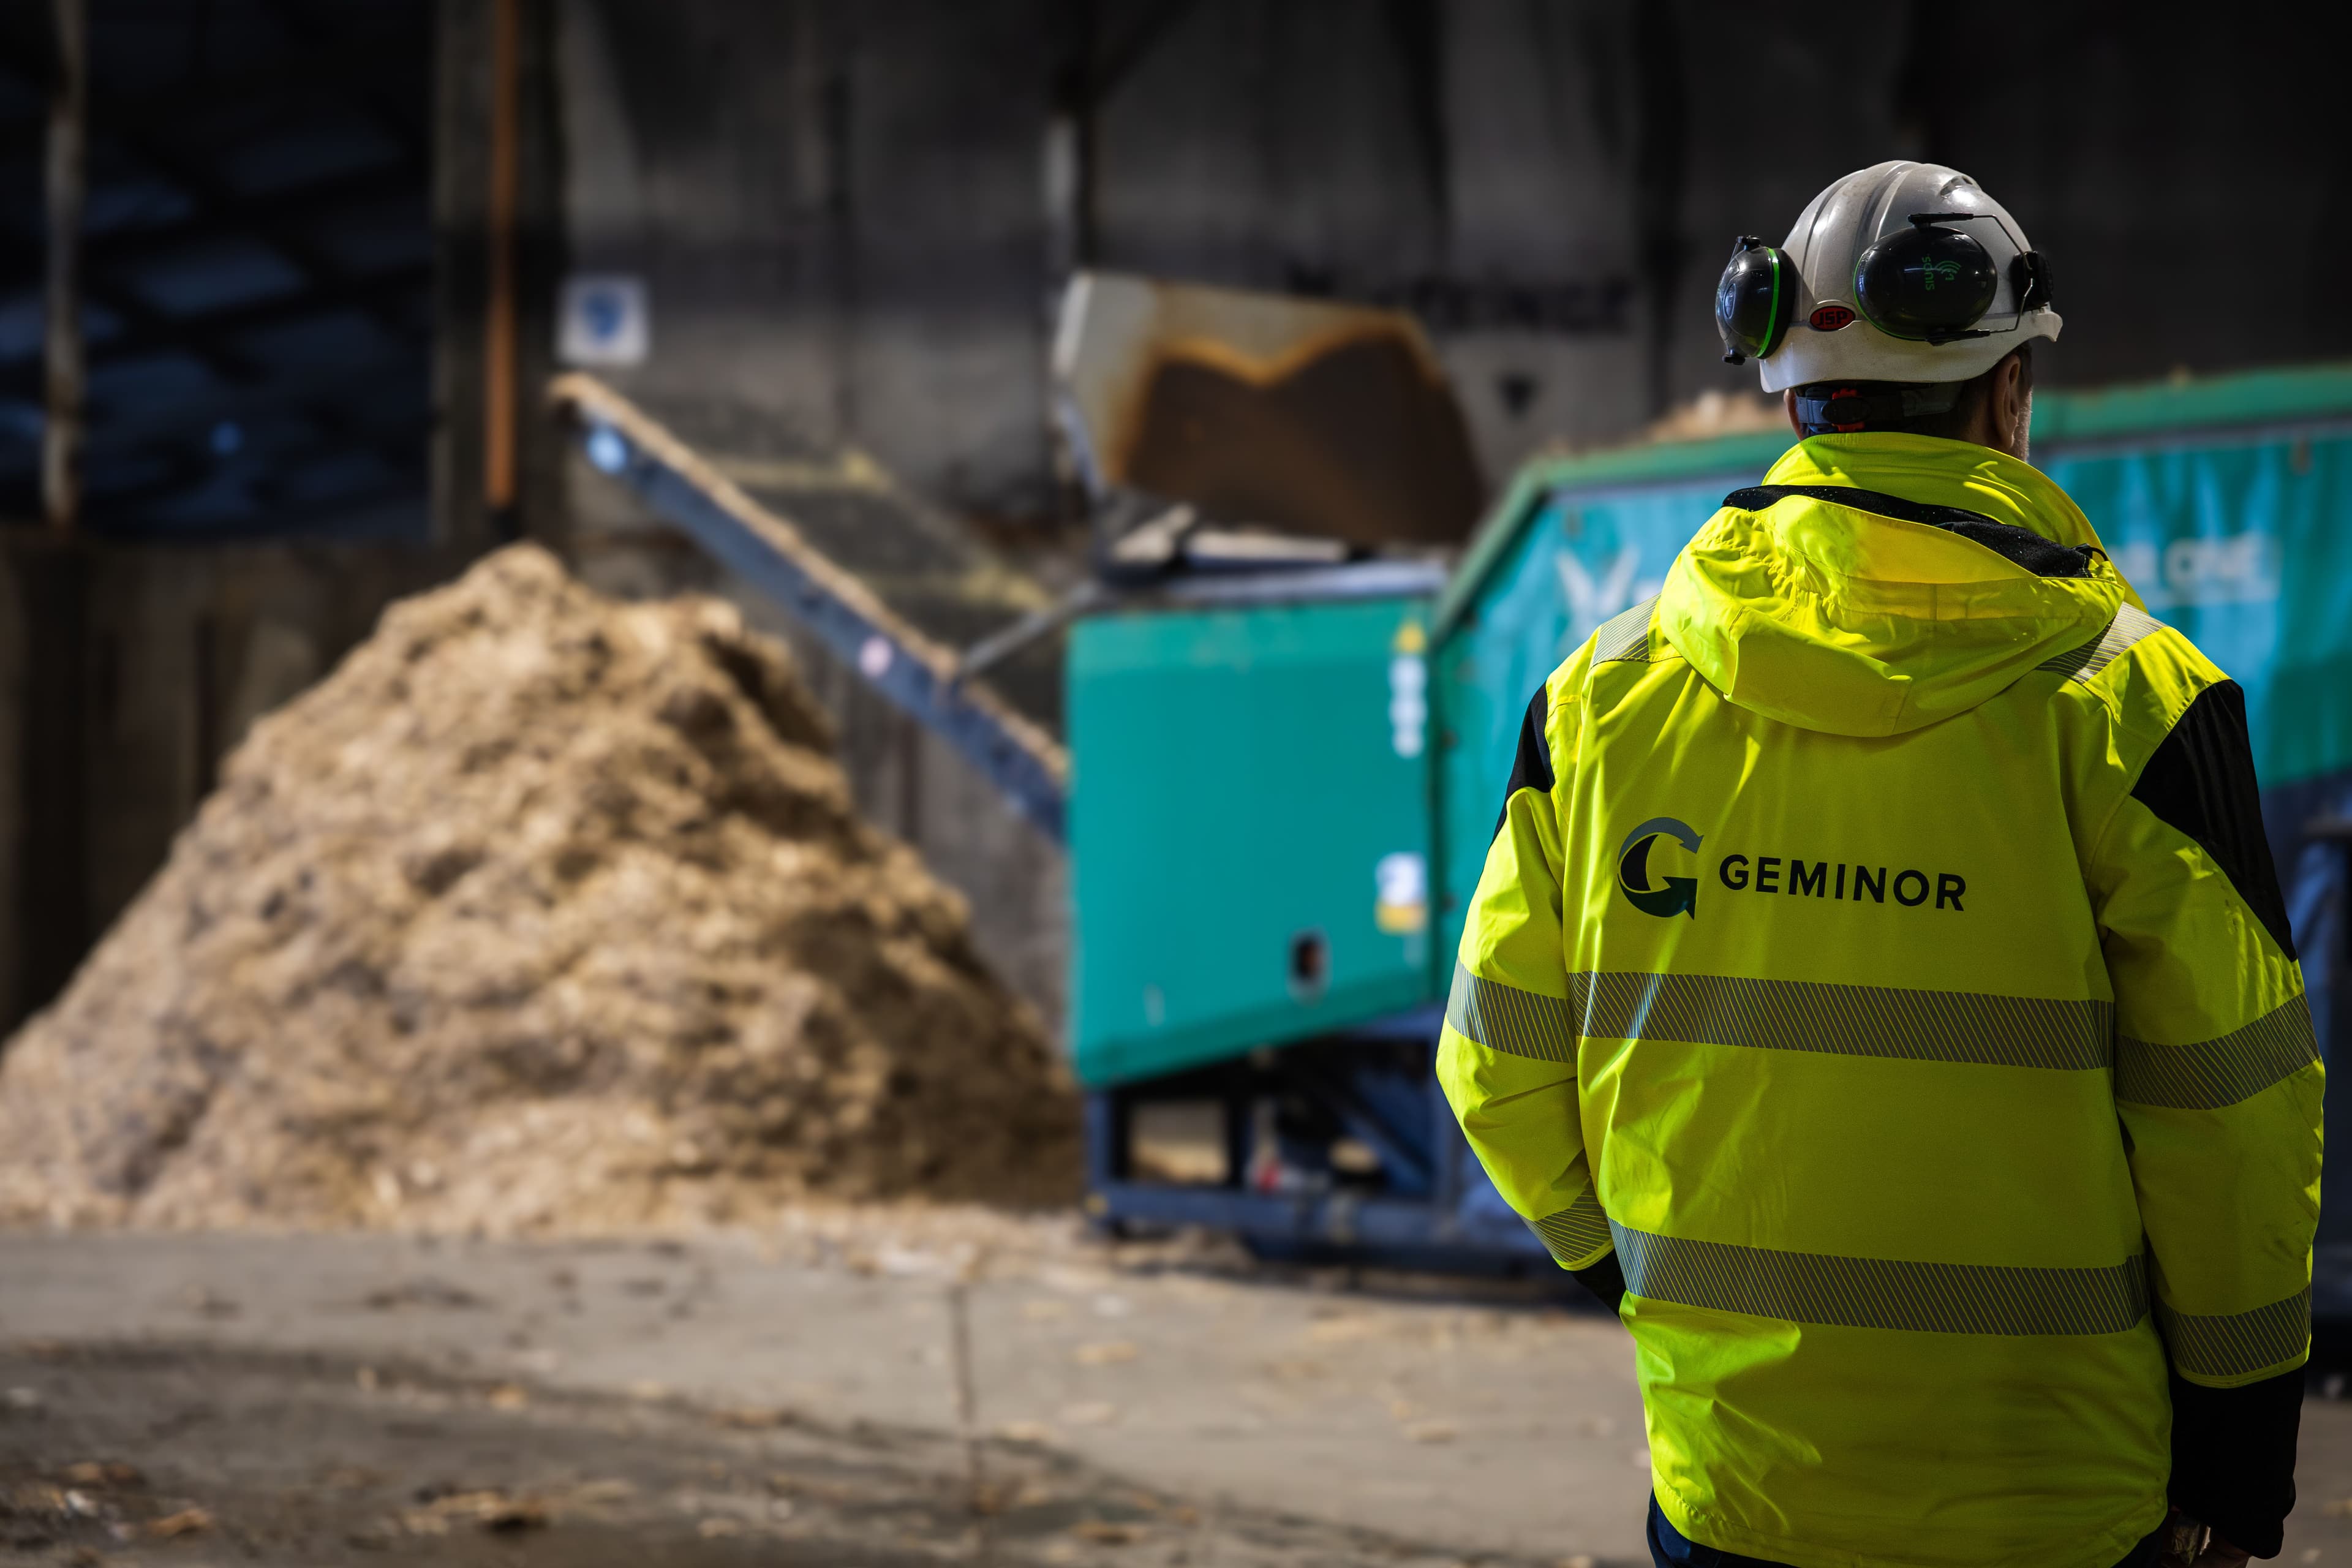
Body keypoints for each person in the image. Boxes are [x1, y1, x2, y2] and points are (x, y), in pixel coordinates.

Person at [1439, 160, 2321, 1568]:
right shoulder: (2134, 706)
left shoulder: (1599, 697)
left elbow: (1496, 1061)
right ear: (2010, 392)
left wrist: (1644, 1283)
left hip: (1738, 1486)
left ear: (1787, 391)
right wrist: (2240, 1448)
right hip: (2055, 1494)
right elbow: (2235, 1118)